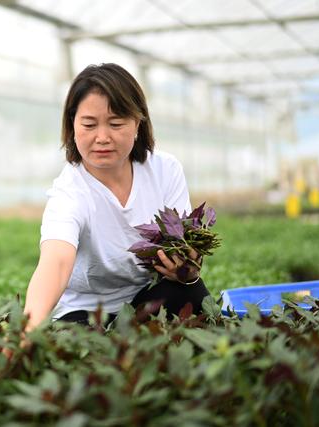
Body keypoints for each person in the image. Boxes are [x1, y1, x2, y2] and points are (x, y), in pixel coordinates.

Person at [23, 63, 209, 331]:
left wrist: (186, 268)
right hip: (86, 311)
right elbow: (56, 262)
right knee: (80, 349)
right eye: (89, 124)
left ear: (138, 123)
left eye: (116, 123)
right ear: (72, 126)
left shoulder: (165, 171)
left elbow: (182, 245)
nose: (102, 137)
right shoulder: (70, 190)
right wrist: (27, 329)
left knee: (189, 293)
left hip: (148, 298)